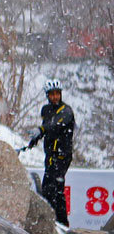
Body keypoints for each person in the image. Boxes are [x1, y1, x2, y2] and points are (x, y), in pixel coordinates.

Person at [24, 80, 75, 226]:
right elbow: (47, 128)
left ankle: (62, 224)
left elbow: (56, 125)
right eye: (52, 94)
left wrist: (41, 130)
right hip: (50, 155)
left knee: (56, 190)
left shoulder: (66, 111)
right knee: (47, 191)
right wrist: (36, 138)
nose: (55, 97)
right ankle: (53, 223)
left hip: (62, 156)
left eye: (57, 94)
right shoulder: (46, 110)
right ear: (47, 95)